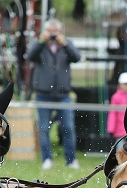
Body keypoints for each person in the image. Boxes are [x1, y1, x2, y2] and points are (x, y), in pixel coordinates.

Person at [27, 18, 82, 170]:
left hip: (63, 94)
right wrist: (40, 41)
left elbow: (77, 57)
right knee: (44, 128)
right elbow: (30, 56)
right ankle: (47, 159)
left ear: (60, 32)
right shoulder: (39, 46)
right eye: (49, 32)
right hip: (43, 94)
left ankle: (71, 160)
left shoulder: (66, 45)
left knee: (68, 127)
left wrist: (64, 43)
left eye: (55, 32)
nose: (52, 35)